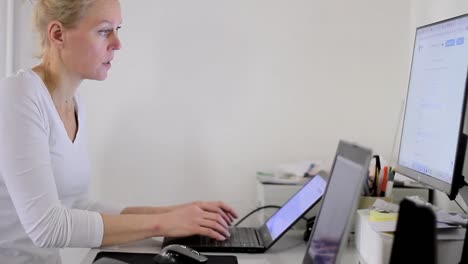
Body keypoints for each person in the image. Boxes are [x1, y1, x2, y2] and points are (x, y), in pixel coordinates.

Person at [0, 0, 238, 263]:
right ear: (58, 34)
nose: (118, 43)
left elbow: (79, 206)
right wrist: (165, 223)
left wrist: (180, 212)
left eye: (118, 29)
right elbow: (47, 227)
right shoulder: (19, 96)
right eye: (104, 31)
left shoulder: (75, 104)